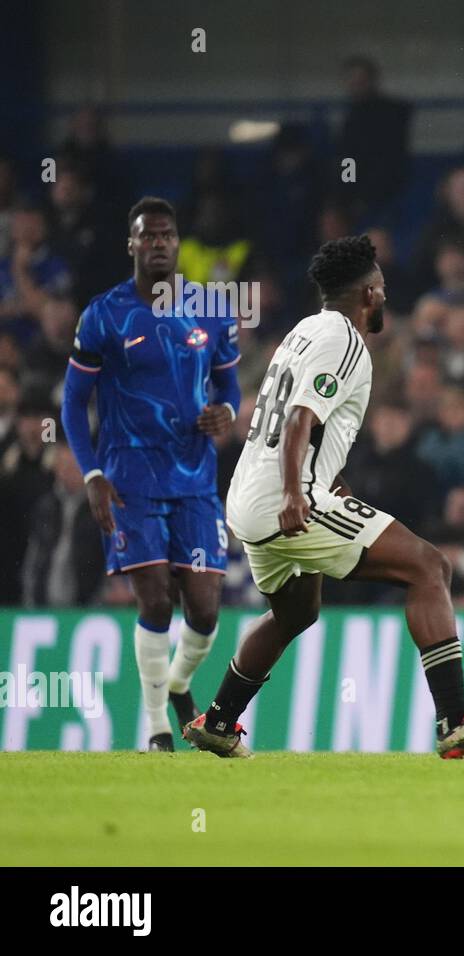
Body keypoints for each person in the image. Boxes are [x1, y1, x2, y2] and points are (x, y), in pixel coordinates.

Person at [188, 235, 464, 759]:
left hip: (249, 496)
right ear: (369, 292)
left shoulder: (304, 331)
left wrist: (325, 485)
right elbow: (302, 417)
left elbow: (297, 424)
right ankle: (456, 719)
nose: (385, 297)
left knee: (295, 613)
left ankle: (219, 722)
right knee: (429, 567)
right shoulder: (343, 338)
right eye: (383, 288)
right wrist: (299, 493)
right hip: (284, 494)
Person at [61, 197, 240, 751]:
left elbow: (228, 384)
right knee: (157, 600)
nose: (159, 243)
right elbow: (73, 403)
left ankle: (180, 685)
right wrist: (91, 473)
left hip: (195, 479)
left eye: (167, 235)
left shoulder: (210, 309)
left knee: (206, 610)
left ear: (178, 242)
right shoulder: (104, 314)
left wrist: (227, 411)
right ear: (132, 244)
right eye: (148, 235)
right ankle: (157, 726)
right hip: (128, 478)